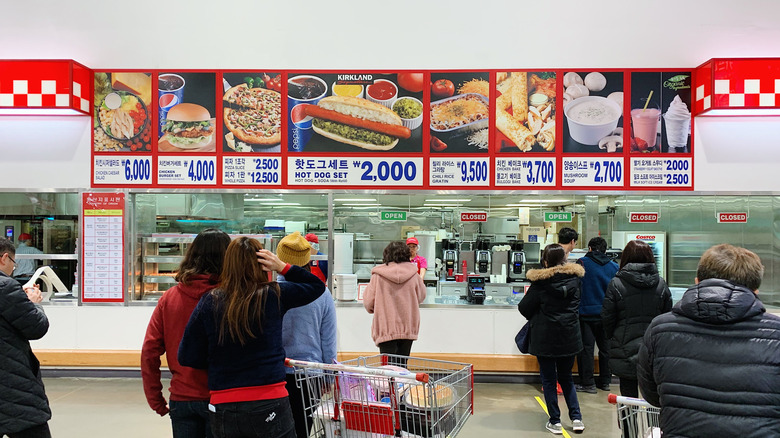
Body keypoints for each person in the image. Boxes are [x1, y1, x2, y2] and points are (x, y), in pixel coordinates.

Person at [178, 237, 325, 438]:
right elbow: (316, 286)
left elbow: (187, 356)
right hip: (270, 399)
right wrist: (282, 266)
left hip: (224, 403)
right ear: (262, 263)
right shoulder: (273, 295)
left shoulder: (210, 301)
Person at [637, 244, 780, 437]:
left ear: (697, 281)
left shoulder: (660, 329)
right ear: (755, 290)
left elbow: (653, 395)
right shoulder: (775, 334)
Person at [141, 228, 231, 438]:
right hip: (222, 398)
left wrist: (155, 398)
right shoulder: (231, 298)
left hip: (182, 398)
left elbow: (150, 351)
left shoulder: (170, 297)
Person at [518, 243, 585, 435]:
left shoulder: (541, 283)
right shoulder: (576, 280)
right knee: (567, 379)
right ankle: (577, 418)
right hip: (569, 335)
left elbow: (524, 308)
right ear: (564, 260)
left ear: (545, 261)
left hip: (545, 337)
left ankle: (555, 421)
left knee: (548, 380)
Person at [276, 232, 337, 438]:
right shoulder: (322, 294)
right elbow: (328, 339)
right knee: (302, 429)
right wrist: (329, 375)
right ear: (308, 260)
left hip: (275, 373)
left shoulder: (269, 291)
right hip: (310, 374)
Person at [601, 240, 671, 400]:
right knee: (653, 399)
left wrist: (613, 338)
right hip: (654, 347)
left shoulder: (616, 284)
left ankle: (628, 426)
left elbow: (607, 317)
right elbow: (667, 316)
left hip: (624, 346)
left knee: (628, 399)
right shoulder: (661, 284)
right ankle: (653, 426)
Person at [0, 237, 51, 438]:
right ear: (5, 258)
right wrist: (34, 303)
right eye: (13, 263)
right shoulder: (6, 287)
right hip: (11, 386)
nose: (13, 268)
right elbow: (37, 327)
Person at [364, 241, 426, 365]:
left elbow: (368, 302)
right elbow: (421, 296)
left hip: (386, 327)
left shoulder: (378, 276)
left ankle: (390, 385)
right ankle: (402, 384)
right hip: (408, 326)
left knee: (388, 369)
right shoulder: (414, 274)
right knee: (402, 367)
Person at [574, 237, 618, 394]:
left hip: (586, 313)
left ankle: (588, 383)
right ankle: (605, 381)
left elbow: (575, 286)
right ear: (605, 250)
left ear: (590, 248)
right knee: (606, 349)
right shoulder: (614, 266)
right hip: (607, 315)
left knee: (586, 349)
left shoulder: (582, 263)